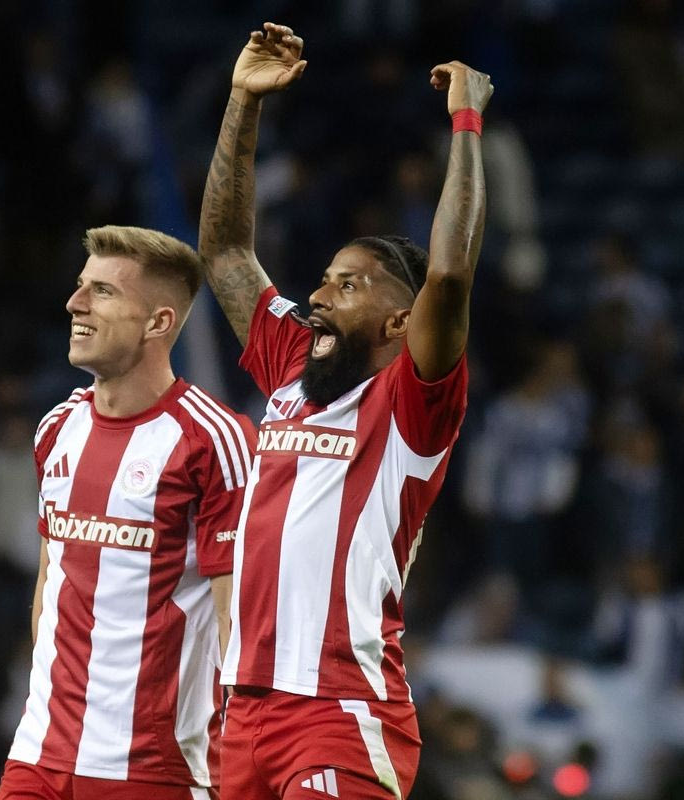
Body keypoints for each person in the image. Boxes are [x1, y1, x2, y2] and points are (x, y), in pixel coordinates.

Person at [198, 22, 491, 799]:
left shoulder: (411, 403)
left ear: (401, 321)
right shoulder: (294, 365)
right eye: (325, 278)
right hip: (241, 713)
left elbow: (450, 277)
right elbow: (224, 253)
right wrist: (243, 101)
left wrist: (466, 122)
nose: (319, 294)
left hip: (339, 710)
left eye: (348, 284)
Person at [0, 226, 256, 800]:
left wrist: (238, 764)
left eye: (103, 291)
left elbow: (238, 619)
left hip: (151, 768)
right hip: (39, 756)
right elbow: (51, 580)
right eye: (80, 285)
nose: (75, 303)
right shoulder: (57, 427)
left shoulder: (214, 440)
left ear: (159, 322)